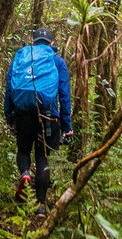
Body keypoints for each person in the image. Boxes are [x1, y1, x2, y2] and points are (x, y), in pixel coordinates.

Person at [4, 27, 73, 218]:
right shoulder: (57, 61)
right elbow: (64, 96)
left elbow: (9, 87)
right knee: (43, 157)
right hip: (48, 115)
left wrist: (9, 116)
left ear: (33, 42)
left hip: (22, 112)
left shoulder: (21, 57)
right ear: (52, 44)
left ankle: (25, 173)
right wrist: (67, 126)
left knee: (23, 150)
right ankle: (41, 207)